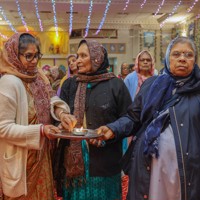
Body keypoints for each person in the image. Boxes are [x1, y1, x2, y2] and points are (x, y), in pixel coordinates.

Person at [97, 36, 200, 200]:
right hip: (150, 166)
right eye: (176, 54)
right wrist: (112, 129)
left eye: (188, 55)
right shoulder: (152, 85)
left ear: (195, 60)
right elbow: (133, 117)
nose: (182, 58)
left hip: (187, 172)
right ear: (167, 58)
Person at [54, 39, 132, 200]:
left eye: (83, 56)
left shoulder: (115, 85)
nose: (78, 60)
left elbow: (130, 118)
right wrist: (62, 120)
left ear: (97, 58)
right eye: (77, 56)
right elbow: (56, 116)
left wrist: (112, 129)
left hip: (105, 160)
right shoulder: (70, 85)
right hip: (74, 162)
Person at [0, 32, 71, 199]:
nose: (34, 61)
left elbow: (50, 97)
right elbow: (3, 128)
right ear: (14, 56)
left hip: (42, 155)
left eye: (37, 55)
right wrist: (41, 130)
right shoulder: (8, 83)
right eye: (28, 56)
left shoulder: (37, 77)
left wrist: (62, 113)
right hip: (22, 160)